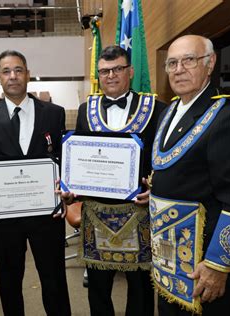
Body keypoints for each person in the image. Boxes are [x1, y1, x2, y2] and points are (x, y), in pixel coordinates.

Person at [150, 35, 230, 315]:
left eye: (189, 60)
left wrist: (218, 265)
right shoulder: (170, 111)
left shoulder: (229, 116)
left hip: (204, 269)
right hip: (170, 261)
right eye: (172, 63)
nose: (179, 70)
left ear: (210, 63)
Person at [61, 45, 166, 316]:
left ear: (130, 71)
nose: (111, 75)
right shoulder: (87, 109)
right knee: (97, 284)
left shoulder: (156, 108)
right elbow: (80, 157)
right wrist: (72, 187)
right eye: (104, 71)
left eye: (117, 69)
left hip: (139, 211)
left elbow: (164, 159)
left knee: (141, 285)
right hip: (96, 212)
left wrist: (156, 188)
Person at [0, 50, 71, 316]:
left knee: (55, 280)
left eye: (18, 70)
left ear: (27, 73)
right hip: (4, 216)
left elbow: (64, 159)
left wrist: (67, 186)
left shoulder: (54, 114)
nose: (13, 76)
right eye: (6, 71)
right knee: (9, 281)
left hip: (46, 214)